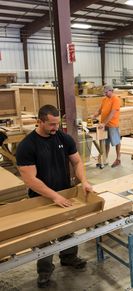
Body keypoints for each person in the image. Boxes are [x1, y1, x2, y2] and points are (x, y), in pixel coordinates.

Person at [16, 104, 93, 288]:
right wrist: (54, 197)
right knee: (45, 236)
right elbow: (30, 179)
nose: (55, 128)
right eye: (51, 124)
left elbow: (77, 162)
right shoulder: (27, 146)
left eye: (57, 124)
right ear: (39, 121)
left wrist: (84, 181)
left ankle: (69, 257)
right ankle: (44, 270)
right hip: (40, 198)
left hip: (64, 191)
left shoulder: (63, 138)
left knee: (67, 228)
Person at [93, 85, 121, 167]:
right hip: (104, 125)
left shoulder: (116, 100)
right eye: (104, 92)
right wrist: (94, 115)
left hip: (112, 125)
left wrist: (104, 123)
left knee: (116, 142)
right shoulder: (104, 99)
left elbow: (112, 113)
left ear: (111, 90)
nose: (105, 94)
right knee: (105, 143)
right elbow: (100, 110)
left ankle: (118, 158)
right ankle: (104, 159)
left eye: (106, 92)